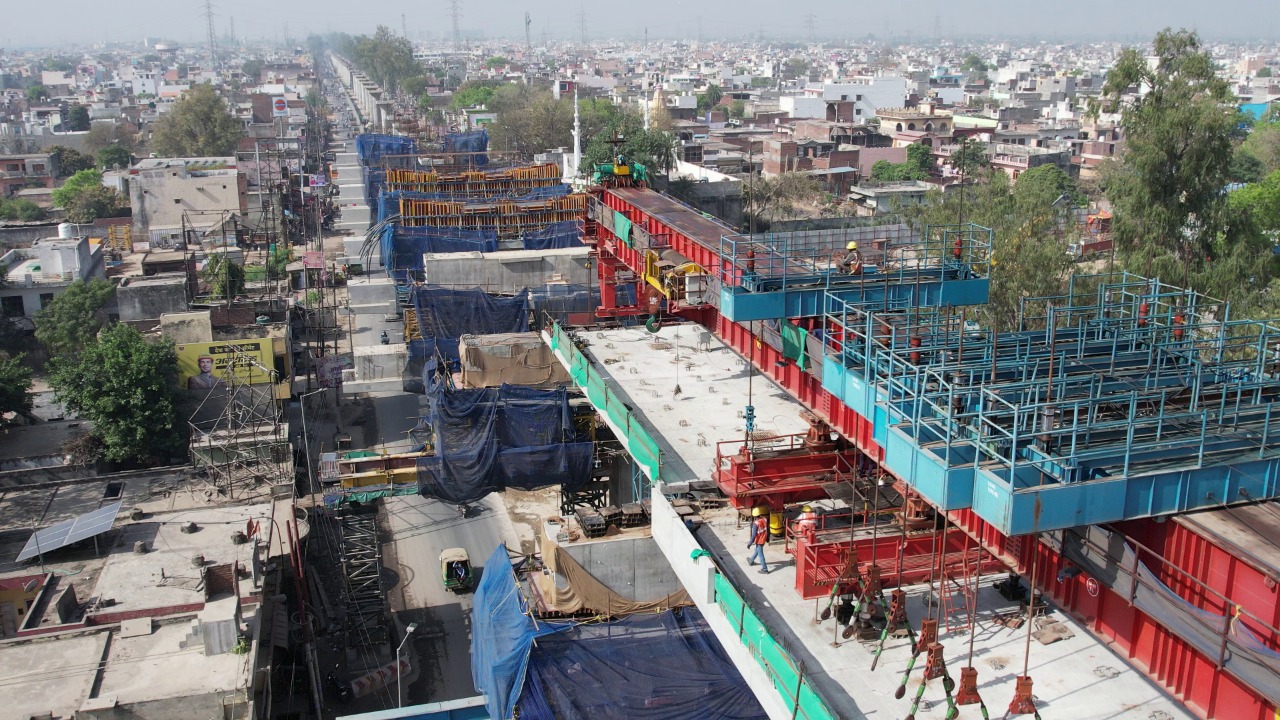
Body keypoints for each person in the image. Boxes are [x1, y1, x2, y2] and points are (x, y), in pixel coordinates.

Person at [746, 506, 770, 574]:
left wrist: (749, 544)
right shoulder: (764, 520)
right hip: (763, 539)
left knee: (760, 554)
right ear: (760, 514)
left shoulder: (756, 524)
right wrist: (767, 538)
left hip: (759, 540)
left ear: (754, 516)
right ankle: (751, 560)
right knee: (757, 550)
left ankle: (765, 569)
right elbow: (767, 529)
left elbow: (753, 536)